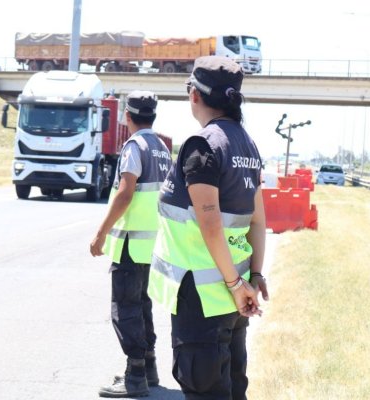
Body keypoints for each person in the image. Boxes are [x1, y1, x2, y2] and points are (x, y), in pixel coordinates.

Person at [148, 56, 269, 400]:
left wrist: (235, 284)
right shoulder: (247, 145)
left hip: (203, 299)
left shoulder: (202, 145)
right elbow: (259, 220)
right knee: (230, 391)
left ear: (195, 95)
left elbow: (210, 225)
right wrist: (254, 277)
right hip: (232, 299)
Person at [90, 90, 172, 398]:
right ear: (153, 114)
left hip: (130, 243)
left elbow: (125, 193)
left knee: (125, 308)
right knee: (141, 305)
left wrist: (101, 233)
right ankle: (148, 369)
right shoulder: (161, 148)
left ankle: (135, 377)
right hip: (152, 244)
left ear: (127, 115)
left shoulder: (134, 146)